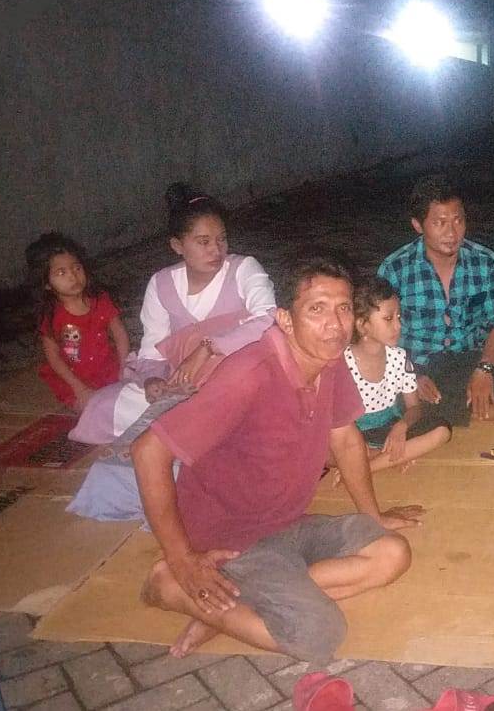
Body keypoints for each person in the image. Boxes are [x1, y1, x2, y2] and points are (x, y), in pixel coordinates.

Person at [130, 252, 423, 662]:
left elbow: (345, 441)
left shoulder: (328, 361)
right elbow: (148, 451)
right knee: (319, 635)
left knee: (393, 553)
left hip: (286, 524)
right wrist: (181, 560)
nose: (334, 324)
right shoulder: (249, 374)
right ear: (285, 319)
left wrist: (373, 517)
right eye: (317, 309)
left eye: (343, 308)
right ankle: (171, 588)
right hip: (232, 541)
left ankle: (232, 606)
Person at [69, 184, 276, 443]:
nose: (216, 250)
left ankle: (194, 422)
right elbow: (152, 349)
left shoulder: (243, 268)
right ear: (177, 245)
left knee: (243, 398)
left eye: (222, 239)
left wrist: (207, 348)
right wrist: (153, 381)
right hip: (183, 381)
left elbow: (267, 319)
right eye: (203, 242)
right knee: (103, 406)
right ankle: (194, 420)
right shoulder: (161, 284)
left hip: (237, 375)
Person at [378, 176, 494, 427]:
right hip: (417, 363)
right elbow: (377, 333)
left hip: (468, 359)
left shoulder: (485, 261)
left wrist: (484, 370)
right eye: (439, 223)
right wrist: (411, 375)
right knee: (395, 395)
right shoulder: (395, 268)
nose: (451, 232)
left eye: (458, 220)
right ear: (418, 225)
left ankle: (449, 407)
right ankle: (476, 409)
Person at [344, 276, 451, 474]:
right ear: (362, 325)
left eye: (399, 317)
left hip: (388, 429)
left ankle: (364, 468)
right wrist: (357, 444)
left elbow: (414, 408)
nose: (398, 325)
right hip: (352, 436)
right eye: (388, 319)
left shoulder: (399, 357)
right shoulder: (342, 363)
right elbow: (335, 423)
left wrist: (402, 426)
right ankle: (383, 458)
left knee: (441, 431)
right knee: (330, 448)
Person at [25, 233, 129, 411]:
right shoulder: (51, 316)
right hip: (74, 375)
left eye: (77, 268)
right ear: (46, 283)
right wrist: (78, 388)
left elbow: (119, 333)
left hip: (107, 365)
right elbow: (53, 357)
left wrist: (124, 365)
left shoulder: (101, 300)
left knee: (133, 392)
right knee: (91, 409)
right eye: (61, 273)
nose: (73, 276)